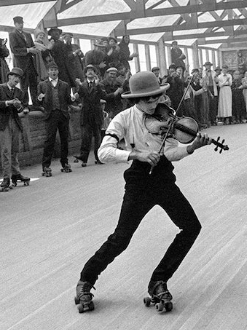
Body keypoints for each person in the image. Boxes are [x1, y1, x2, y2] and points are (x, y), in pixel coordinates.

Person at [73, 70, 213, 313]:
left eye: (156, 97)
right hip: (138, 181)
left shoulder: (166, 117)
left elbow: (171, 152)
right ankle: (86, 281)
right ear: (136, 99)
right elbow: (103, 153)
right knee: (121, 238)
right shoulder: (123, 119)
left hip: (163, 179)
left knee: (191, 227)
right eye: (148, 99)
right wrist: (135, 154)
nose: (154, 103)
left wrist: (191, 148)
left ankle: (159, 280)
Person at [0, 67, 31, 191]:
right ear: (9, 76)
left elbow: (21, 108)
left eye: (19, 78)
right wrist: (8, 103)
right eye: (15, 76)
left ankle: (16, 173)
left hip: (15, 122)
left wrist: (19, 107)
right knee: (6, 150)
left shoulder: (19, 92)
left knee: (14, 150)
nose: (17, 79)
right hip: (3, 123)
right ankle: (6, 177)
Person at [36, 61, 75, 176]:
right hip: (50, 115)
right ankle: (46, 166)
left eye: (55, 70)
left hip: (63, 114)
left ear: (58, 71)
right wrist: (39, 98)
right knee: (49, 140)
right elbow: (37, 101)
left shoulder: (65, 85)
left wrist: (73, 98)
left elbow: (68, 100)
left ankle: (65, 163)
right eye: (51, 70)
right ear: (48, 72)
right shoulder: (42, 85)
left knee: (64, 139)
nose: (53, 72)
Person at [74, 64, 106, 167]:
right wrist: (77, 90)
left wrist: (97, 86)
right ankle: (83, 157)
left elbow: (103, 96)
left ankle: (99, 157)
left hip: (96, 114)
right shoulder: (82, 85)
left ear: (95, 73)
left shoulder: (99, 84)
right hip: (86, 114)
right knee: (85, 136)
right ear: (85, 74)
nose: (90, 72)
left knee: (98, 137)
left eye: (92, 70)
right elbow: (79, 96)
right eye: (88, 71)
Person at [9, 16, 40, 110]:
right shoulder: (12, 34)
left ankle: (36, 104)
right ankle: (25, 105)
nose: (21, 25)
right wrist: (28, 50)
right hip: (21, 64)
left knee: (33, 84)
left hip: (30, 63)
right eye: (18, 23)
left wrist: (34, 50)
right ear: (15, 24)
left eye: (22, 23)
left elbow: (32, 46)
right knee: (24, 85)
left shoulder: (27, 34)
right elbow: (14, 50)